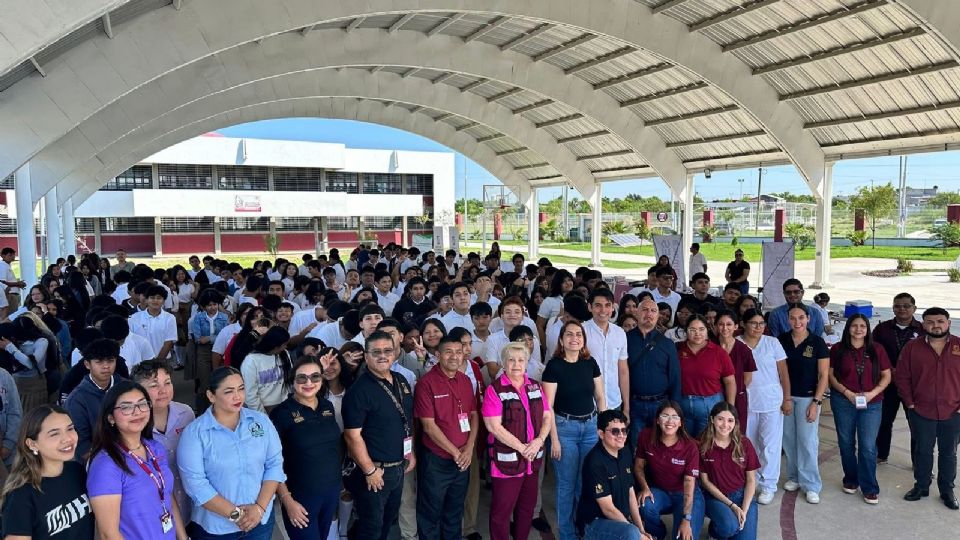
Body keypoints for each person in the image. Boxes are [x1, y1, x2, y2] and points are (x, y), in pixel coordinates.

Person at [177, 367, 285, 539]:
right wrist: (237, 515)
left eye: (241, 388)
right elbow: (195, 484)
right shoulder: (195, 433)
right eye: (229, 391)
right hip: (217, 529)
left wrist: (259, 509)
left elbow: (274, 464)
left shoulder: (261, 421)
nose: (238, 396)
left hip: (260, 521)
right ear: (211, 396)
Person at [87, 380, 188, 539]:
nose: (137, 411)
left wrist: (183, 538)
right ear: (111, 418)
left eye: (142, 404)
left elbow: (166, 494)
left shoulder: (154, 447)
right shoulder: (106, 464)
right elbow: (108, 534)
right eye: (126, 407)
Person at [341, 330, 416, 540]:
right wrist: (369, 470)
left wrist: (411, 453)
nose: (383, 355)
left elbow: (407, 421)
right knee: (370, 527)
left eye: (387, 351)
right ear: (366, 357)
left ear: (394, 354)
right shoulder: (359, 391)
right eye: (376, 352)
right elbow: (352, 437)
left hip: (399, 467)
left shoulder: (400, 379)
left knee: (387, 523)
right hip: (375, 472)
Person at [542, 320, 606, 540]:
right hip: (564, 429)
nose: (574, 338)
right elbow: (547, 406)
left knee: (584, 483)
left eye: (579, 334)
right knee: (566, 486)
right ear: (561, 339)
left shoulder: (590, 363)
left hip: (590, 428)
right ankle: (567, 534)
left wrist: (603, 427)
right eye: (569, 334)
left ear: (583, 340)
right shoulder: (554, 366)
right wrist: (555, 440)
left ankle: (583, 530)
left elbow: (600, 398)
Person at [483, 342, 553, 540]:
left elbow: (547, 417)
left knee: (526, 509)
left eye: (521, 360)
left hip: (532, 461)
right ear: (503, 363)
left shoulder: (535, 386)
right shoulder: (495, 389)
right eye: (511, 360)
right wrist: (523, 448)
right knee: (501, 513)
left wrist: (539, 441)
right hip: (507, 464)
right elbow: (493, 426)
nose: (516, 364)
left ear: (527, 362)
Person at [270, 354, 343, 540]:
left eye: (315, 376)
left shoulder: (327, 406)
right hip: (300, 497)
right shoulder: (281, 414)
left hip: (330, 491)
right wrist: (287, 500)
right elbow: (271, 462)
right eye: (302, 378)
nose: (309, 382)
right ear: (292, 380)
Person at [895, 307, 960, 510]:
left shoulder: (959, 345)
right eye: (930, 322)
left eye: (940, 321)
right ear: (923, 325)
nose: (936, 325)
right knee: (922, 451)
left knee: (949, 453)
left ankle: (947, 491)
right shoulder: (912, 348)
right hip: (921, 411)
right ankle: (921, 486)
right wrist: (910, 403)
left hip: (953, 412)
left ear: (948, 323)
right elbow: (902, 377)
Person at [413, 336, 478, 540]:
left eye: (458, 352)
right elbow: (429, 426)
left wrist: (469, 448)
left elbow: (474, 415)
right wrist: (456, 452)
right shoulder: (426, 383)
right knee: (430, 512)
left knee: (454, 510)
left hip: (462, 460)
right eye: (448, 352)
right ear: (438, 355)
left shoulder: (466, 380)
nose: (454, 356)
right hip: (437, 460)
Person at [0, 405, 92, 539]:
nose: (67, 438)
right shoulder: (21, 495)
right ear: (32, 444)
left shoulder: (77, 471)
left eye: (70, 428)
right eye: (54, 433)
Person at [828, 314, 891, 504]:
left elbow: (886, 375)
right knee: (846, 443)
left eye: (862, 326)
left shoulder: (877, 349)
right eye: (854, 326)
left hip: (872, 403)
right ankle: (851, 479)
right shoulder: (838, 349)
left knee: (868, 446)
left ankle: (870, 487)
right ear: (848, 328)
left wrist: (872, 393)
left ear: (867, 329)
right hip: (843, 401)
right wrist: (847, 392)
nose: (858, 329)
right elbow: (831, 376)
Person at [131, 360, 196, 522]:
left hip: (191, 505)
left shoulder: (186, 414)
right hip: (156, 514)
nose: (163, 390)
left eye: (167, 383)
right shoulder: (133, 425)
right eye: (154, 386)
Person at [737, 308, 789, 505]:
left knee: (770, 445)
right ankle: (752, 480)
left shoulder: (772, 343)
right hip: (746, 401)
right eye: (753, 323)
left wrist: (787, 398)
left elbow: (783, 373)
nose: (758, 327)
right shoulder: (738, 343)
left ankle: (768, 485)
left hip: (771, 401)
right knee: (748, 444)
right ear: (743, 324)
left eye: (761, 323)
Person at [778, 303, 829, 504]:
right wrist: (784, 398)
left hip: (808, 398)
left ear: (808, 319)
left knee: (807, 442)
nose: (797, 322)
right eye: (792, 318)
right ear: (787, 320)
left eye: (801, 317)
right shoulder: (781, 340)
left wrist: (816, 402)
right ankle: (794, 477)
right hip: (786, 397)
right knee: (789, 440)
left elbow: (824, 375)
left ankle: (811, 484)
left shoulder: (817, 342)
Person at [576, 409, 652, 540]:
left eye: (624, 430)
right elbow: (607, 509)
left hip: (620, 521)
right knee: (631, 534)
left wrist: (641, 530)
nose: (621, 435)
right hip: (595, 523)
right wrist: (637, 535)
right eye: (615, 431)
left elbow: (630, 492)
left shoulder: (625, 451)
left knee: (636, 532)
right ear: (601, 433)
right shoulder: (594, 462)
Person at [635, 401, 705, 540]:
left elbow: (689, 483)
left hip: (686, 493)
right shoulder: (645, 436)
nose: (669, 421)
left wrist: (686, 519)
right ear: (657, 420)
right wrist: (645, 487)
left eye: (675, 417)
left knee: (684, 536)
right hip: (661, 491)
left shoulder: (690, 447)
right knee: (645, 504)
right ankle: (658, 533)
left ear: (680, 423)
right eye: (665, 416)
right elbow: (638, 466)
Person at [872, 292, 924, 464]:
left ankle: (919, 461)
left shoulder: (923, 330)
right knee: (884, 421)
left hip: (914, 386)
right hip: (887, 383)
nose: (902, 309)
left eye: (906, 306)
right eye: (897, 306)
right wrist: (888, 370)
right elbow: (873, 353)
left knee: (916, 424)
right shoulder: (882, 329)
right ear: (893, 308)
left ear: (914, 308)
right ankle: (881, 454)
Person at [623, 297, 681, 445]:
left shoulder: (667, 344)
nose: (649, 314)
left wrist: (673, 409)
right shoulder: (624, 339)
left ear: (657, 316)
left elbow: (675, 378)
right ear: (636, 313)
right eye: (645, 309)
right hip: (634, 405)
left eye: (653, 311)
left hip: (661, 404)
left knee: (659, 447)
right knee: (636, 447)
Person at [698, 402, 759, 540]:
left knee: (742, 532)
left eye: (730, 420)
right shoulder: (702, 444)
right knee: (729, 526)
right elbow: (705, 482)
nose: (725, 425)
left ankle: (728, 528)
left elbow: (750, 480)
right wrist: (731, 506)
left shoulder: (745, 444)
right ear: (712, 419)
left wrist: (744, 509)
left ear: (735, 423)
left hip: (741, 495)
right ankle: (715, 532)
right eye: (720, 419)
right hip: (715, 497)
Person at [677, 315, 736, 437]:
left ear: (707, 330)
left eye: (701, 329)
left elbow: (730, 381)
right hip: (682, 405)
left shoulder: (719, 352)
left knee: (705, 445)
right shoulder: (677, 349)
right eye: (692, 330)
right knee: (684, 444)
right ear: (685, 331)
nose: (697, 333)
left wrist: (729, 409)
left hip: (710, 406)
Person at [65, 338, 122, 461]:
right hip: (97, 461)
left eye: (110, 361)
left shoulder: (126, 388)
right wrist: (109, 464)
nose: (106, 366)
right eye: (99, 362)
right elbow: (81, 443)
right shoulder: (76, 400)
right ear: (87, 364)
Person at [583, 289, 628, 413]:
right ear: (589, 307)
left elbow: (623, 371)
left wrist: (627, 407)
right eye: (598, 305)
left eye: (607, 305)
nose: (603, 310)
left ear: (613, 308)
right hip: (589, 404)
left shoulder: (620, 333)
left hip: (615, 402)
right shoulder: (581, 332)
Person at [714, 310, 756, 434]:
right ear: (716, 326)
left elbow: (747, 378)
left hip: (738, 398)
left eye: (729, 324)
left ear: (736, 326)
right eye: (721, 324)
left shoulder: (743, 350)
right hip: (713, 396)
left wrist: (735, 392)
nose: (725, 328)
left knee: (736, 433)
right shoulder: (710, 346)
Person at [240, 326, 291, 413]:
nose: (286, 347)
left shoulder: (285, 354)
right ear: (275, 346)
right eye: (284, 344)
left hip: (284, 406)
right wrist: (263, 416)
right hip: (262, 408)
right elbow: (250, 394)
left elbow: (289, 383)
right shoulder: (251, 361)